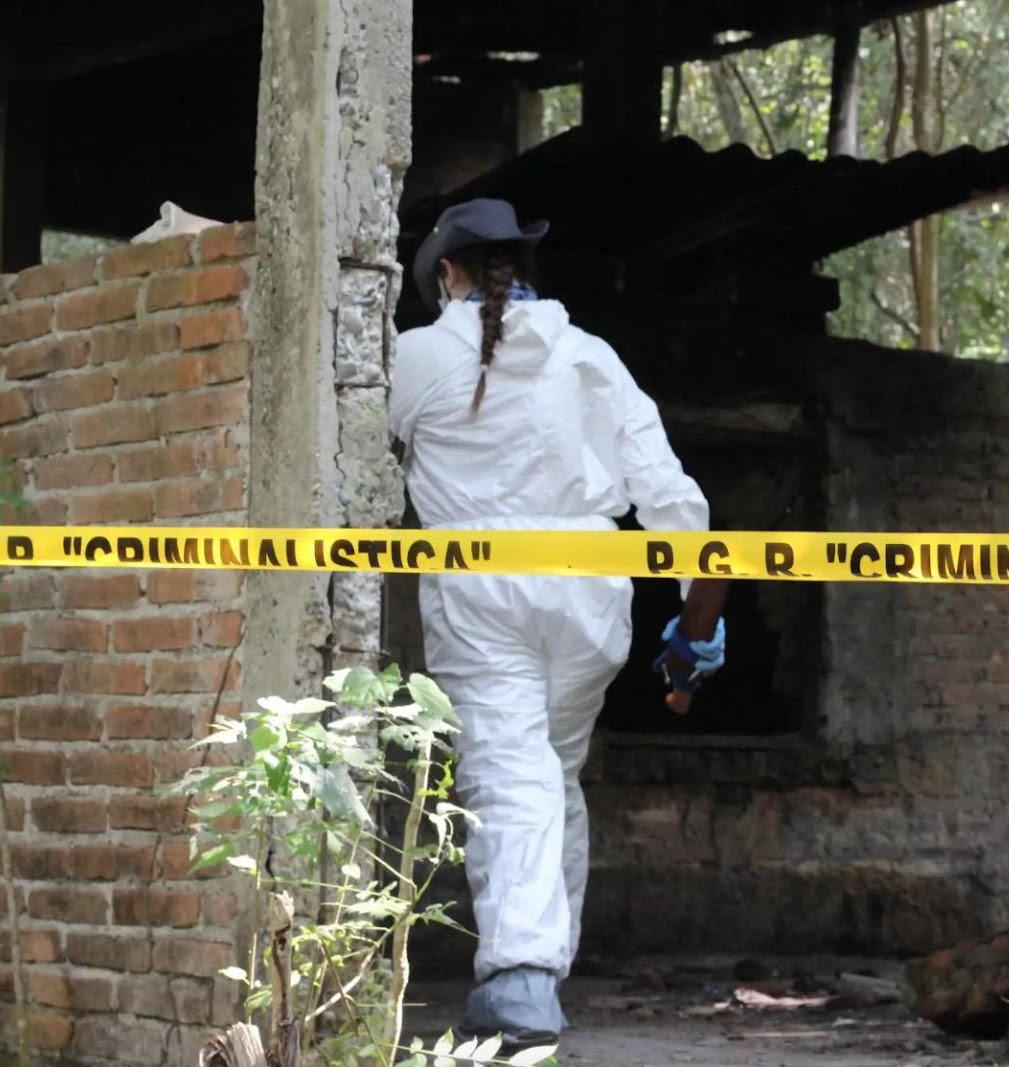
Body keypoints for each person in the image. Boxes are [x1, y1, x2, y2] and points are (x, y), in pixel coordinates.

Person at [388, 198, 726, 1050]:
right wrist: (697, 611)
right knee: (548, 771)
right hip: (592, 592)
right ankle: (545, 960)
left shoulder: (421, 355)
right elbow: (671, 492)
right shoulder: (591, 355)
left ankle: (521, 982)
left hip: (483, 588)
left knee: (509, 772)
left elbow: (365, 450)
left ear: (448, 276)